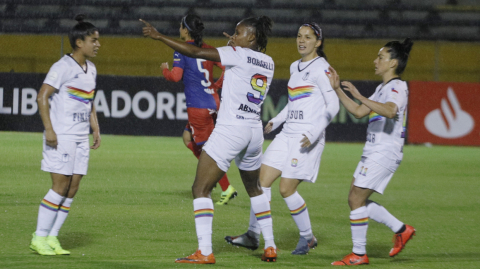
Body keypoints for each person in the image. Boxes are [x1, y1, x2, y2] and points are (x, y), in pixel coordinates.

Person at [141, 16, 277, 264]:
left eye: (238, 32)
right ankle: (270, 246)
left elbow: (194, 51)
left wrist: (160, 37)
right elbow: (243, 64)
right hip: (254, 131)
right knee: (255, 188)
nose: (233, 36)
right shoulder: (268, 62)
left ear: (252, 37)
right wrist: (235, 46)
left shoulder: (238, 54)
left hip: (231, 130)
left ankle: (204, 251)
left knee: (200, 189)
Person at [225, 22, 339, 255]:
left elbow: (334, 104)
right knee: (260, 183)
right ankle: (252, 235)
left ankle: (308, 237)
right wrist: (276, 121)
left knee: (286, 189)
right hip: (287, 134)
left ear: (318, 42)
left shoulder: (322, 68)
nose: (302, 40)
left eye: (308, 37)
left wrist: (314, 132)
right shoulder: (295, 66)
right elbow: (295, 102)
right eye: (299, 36)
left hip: (306, 137)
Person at [327, 38, 415, 266]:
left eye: (381, 57)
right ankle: (401, 229)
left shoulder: (397, 87)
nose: (375, 61)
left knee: (356, 198)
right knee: (355, 199)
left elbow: (389, 110)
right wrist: (337, 89)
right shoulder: (382, 88)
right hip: (374, 150)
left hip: (385, 151)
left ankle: (358, 254)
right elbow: (358, 111)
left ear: (393, 63)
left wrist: (360, 95)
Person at [30, 14, 101, 256]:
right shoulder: (62, 66)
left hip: (81, 137)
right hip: (62, 136)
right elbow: (42, 96)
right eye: (94, 40)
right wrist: (49, 129)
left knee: (73, 188)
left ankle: (52, 237)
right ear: (79, 42)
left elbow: (89, 101)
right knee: (59, 187)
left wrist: (95, 127)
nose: (98, 44)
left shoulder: (91, 68)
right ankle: (38, 237)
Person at [161, 14, 237, 205]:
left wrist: (165, 71)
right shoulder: (209, 50)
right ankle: (223, 185)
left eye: (180, 26)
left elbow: (176, 76)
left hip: (198, 107)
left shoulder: (182, 51)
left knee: (208, 151)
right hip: (213, 103)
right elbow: (228, 67)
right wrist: (217, 84)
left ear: (186, 30)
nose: (179, 30)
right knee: (188, 138)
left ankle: (225, 187)